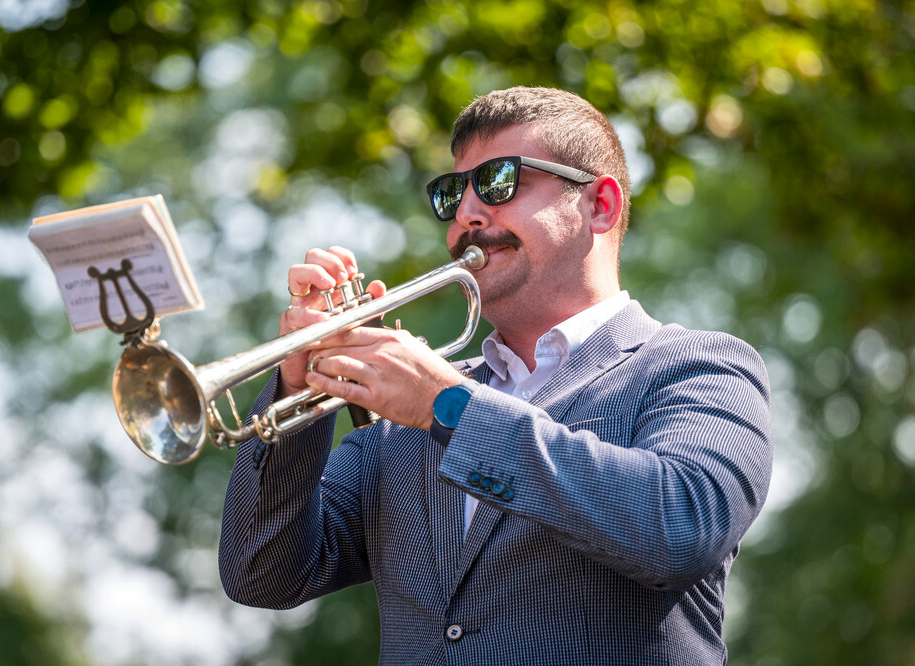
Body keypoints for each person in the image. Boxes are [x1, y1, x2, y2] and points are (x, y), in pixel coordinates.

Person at [219, 86, 772, 664]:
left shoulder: (701, 367)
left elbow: (680, 526)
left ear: (599, 205)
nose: (467, 214)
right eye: (452, 193)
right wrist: (302, 386)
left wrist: (449, 407)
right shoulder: (403, 416)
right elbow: (260, 573)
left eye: (499, 182)